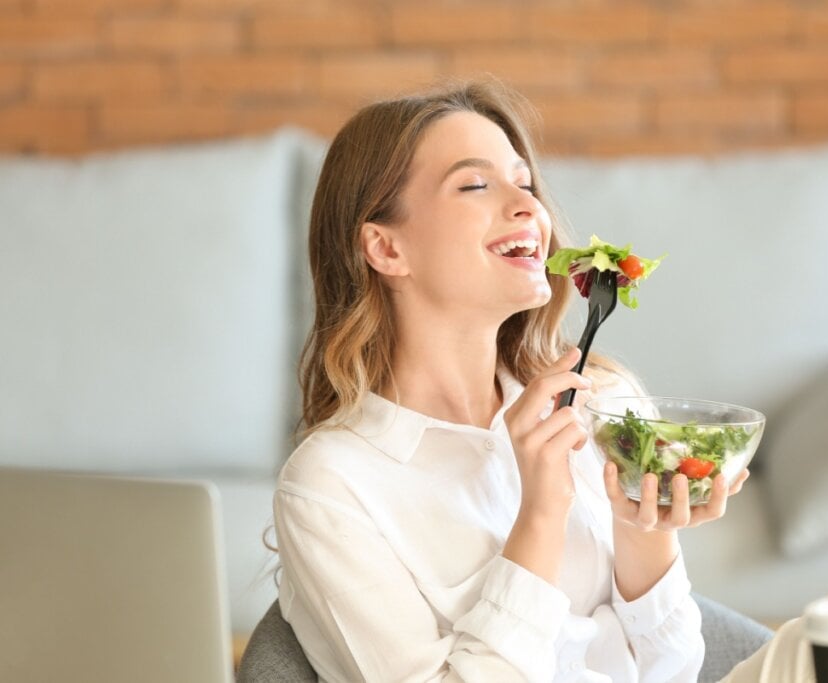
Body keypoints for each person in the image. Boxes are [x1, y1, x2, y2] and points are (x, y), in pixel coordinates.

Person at [272, 78, 749, 683]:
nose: (529, 206)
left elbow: (675, 670)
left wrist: (639, 527)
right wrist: (541, 515)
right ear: (386, 249)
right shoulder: (334, 486)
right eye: (475, 184)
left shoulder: (601, 402)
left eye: (524, 183)